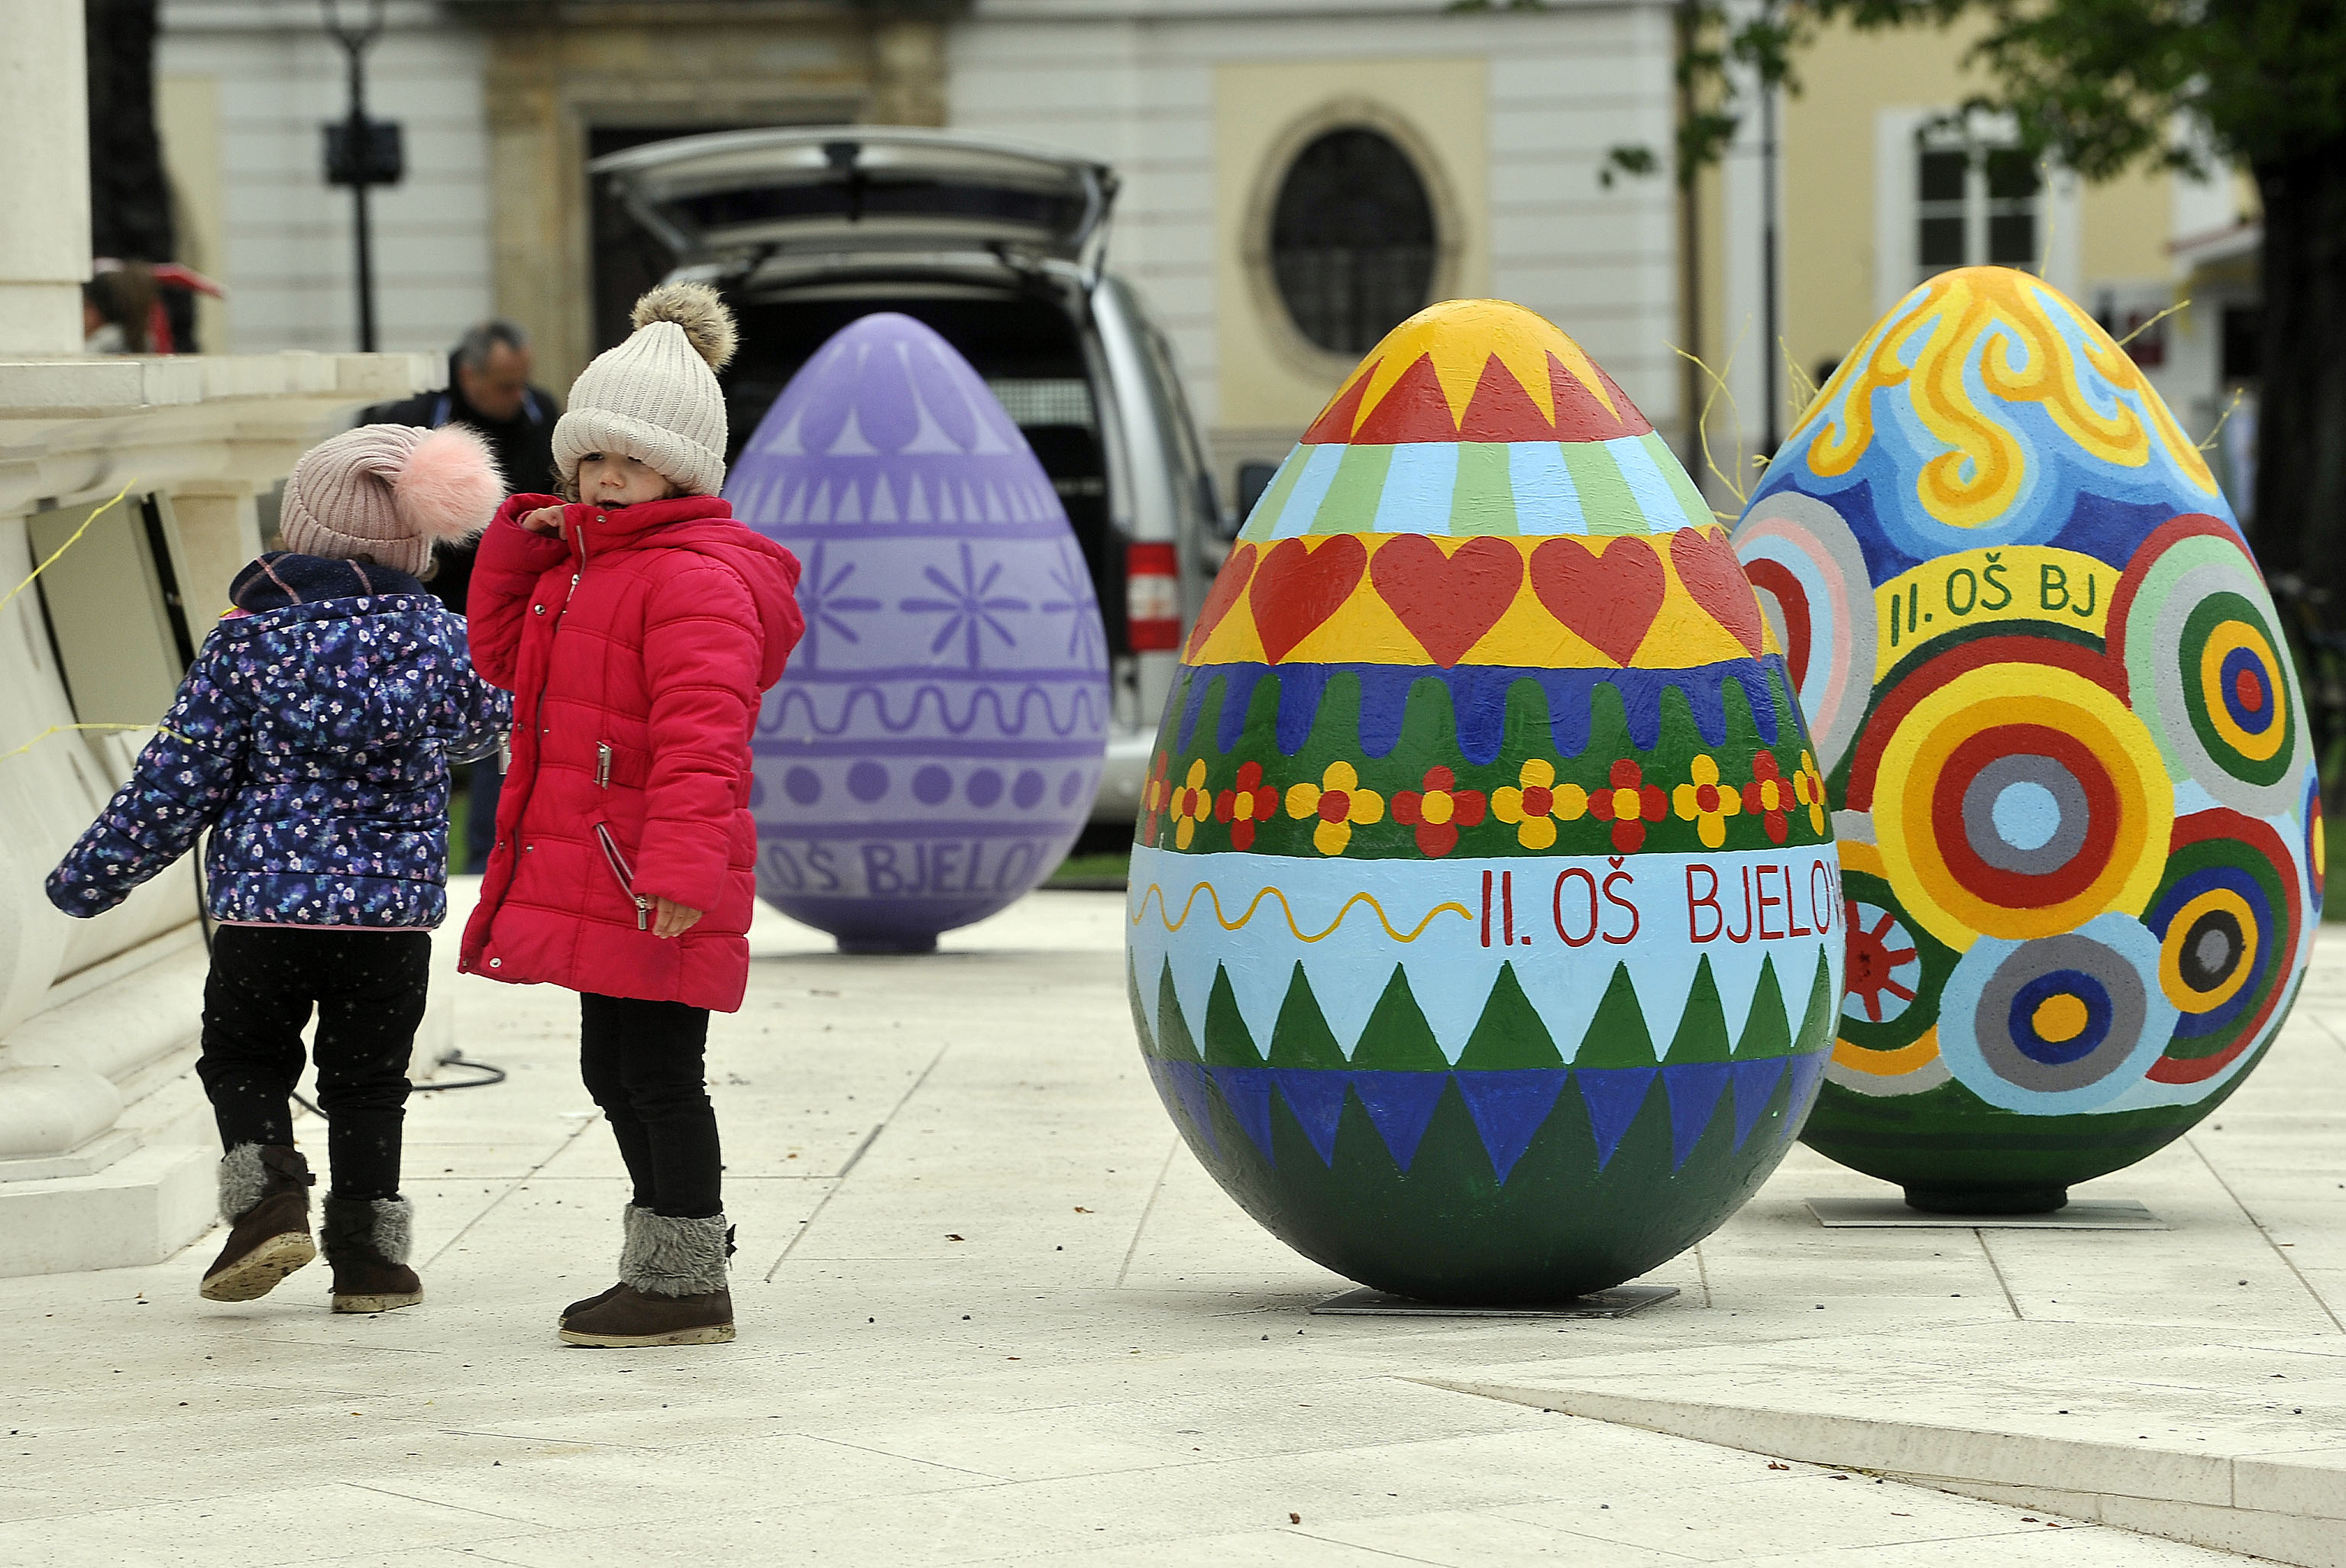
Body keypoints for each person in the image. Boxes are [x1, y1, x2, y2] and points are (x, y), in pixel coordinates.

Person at [46, 425, 511, 1314]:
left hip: (267, 911)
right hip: (387, 922)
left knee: (242, 1056)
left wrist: (89, 878)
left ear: (299, 532)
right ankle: (373, 1264)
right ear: (413, 540)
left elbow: (177, 778)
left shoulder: (245, 644)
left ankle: (267, 1200)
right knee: (369, 1084)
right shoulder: (442, 639)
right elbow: (487, 728)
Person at [459, 282, 802, 1349]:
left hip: (652, 874)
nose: (607, 479)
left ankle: (686, 1276)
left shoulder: (689, 581)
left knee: (657, 1074)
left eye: (632, 462)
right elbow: (503, 660)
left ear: (684, 472)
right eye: (590, 459)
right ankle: (664, 1267)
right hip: (606, 871)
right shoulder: (582, 572)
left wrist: (676, 876)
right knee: (612, 1069)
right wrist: (525, 537)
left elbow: (705, 742)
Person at [364, 319, 561, 871]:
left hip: (514, 607)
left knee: (509, 733)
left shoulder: (542, 414)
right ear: (469, 374)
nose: (517, 396)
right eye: (504, 385)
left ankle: (487, 860)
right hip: (433, 604)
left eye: (522, 383)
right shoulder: (415, 418)